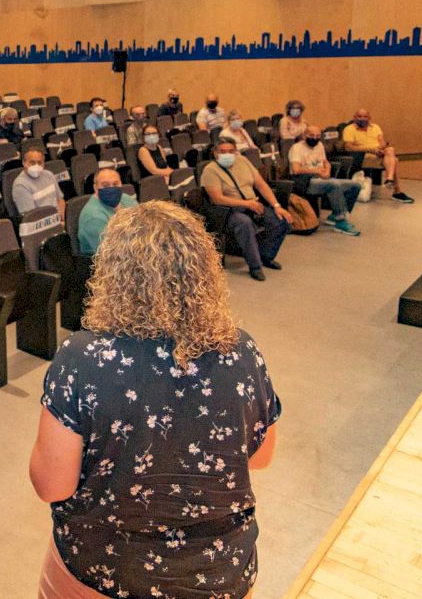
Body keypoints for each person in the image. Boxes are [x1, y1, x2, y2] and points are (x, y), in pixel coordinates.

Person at [29, 201, 280, 599]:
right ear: (204, 269)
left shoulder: (83, 358)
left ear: (113, 274)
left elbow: (52, 486)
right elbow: (261, 456)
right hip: (220, 573)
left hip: (105, 571)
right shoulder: (241, 351)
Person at [200, 140, 293, 281]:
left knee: (281, 221)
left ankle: (265, 256)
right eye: (222, 151)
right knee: (244, 223)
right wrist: (247, 204)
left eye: (231, 151)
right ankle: (255, 266)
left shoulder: (243, 161)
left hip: (252, 204)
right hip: (228, 210)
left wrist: (277, 206)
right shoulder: (210, 170)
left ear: (236, 151)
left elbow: (261, 184)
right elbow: (217, 199)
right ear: (215, 153)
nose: (227, 154)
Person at [290, 126, 362, 235]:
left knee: (355, 185)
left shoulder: (319, 145)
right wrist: (316, 171)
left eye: (317, 136)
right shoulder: (296, 148)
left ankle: (334, 215)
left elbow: (325, 162)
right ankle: (340, 221)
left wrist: (327, 171)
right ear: (304, 135)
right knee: (333, 184)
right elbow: (296, 169)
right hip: (304, 181)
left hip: (321, 178)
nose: (315, 138)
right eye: (311, 135)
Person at [342, 108, 413, 203]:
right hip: (363, 154)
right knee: (394, 161)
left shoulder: (375, 127)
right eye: (359, 116)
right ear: (354, 117)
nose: (362, 119)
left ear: (369, 118)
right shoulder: (349, 129)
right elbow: (348, 147)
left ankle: (389, 180)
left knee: (390, 149)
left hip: (378, 152)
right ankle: (396, 191)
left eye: (365, 116)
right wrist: (371, 150)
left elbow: (382, 141)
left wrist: (381, 148)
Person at [77, 168, 137, 254]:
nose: (111, 188)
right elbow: (109, 252)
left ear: (121, 184)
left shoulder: (126, 199)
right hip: (106, 258)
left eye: (115, 184)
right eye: (105, 185)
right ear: (95, 188)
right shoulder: (93, 216)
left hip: (131, 248)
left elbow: (142, 224)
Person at [12, 148, 65, 218]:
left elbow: (60, 200)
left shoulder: (49, 175)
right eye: (32, 162)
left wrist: (62, 218)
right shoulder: (20, 185)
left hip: (58, 218)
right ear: (24, 163)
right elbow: (31, 217)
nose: (36, 166)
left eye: (40, 163)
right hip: (41, 222)